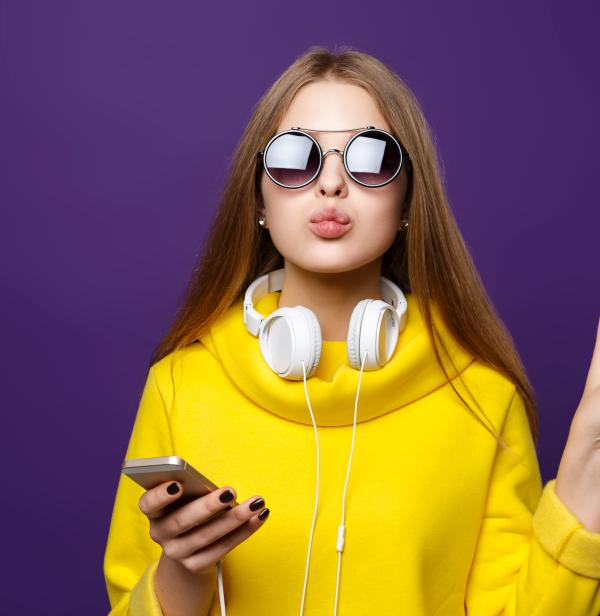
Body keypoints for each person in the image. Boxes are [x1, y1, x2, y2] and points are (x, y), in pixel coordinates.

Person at [103, 46, 600, 615]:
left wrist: (585, 499)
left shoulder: (483, 395)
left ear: (409, 198)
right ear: (259, 197)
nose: (331, 184)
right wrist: (183, 574)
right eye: (295, 157)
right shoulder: (180, 385)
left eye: (369, 157)